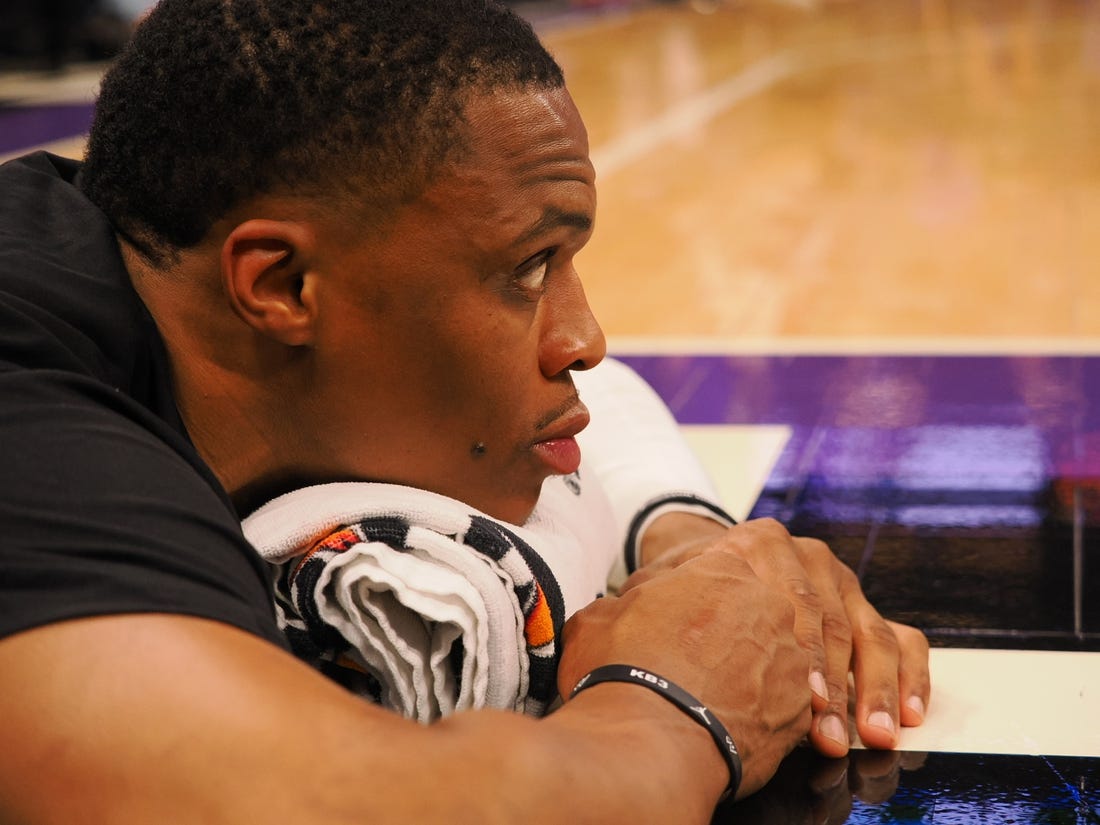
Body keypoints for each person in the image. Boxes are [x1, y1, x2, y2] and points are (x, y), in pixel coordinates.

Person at [0, 1, 930, 822]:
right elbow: (277, 800)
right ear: (280, 284)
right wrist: (674, 693)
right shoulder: (35, 419)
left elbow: (589, 403)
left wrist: (694, 550)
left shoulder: (136, 258)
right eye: (529, 270)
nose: (586, 338)